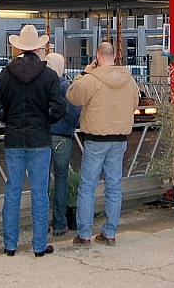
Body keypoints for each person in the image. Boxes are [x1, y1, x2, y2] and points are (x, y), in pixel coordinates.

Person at [0, 24, 67, 257]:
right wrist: (46, 119)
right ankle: (39, 245)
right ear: (39, 48)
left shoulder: (5, 74)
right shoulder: (48, 75)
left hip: (13, 138)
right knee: (39, 192)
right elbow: (60, 107)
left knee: (12, 191)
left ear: (18, 48)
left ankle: (10, 245)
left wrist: (8, 118)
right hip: (40, 139)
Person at [66, 42, 139, 246]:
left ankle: (84, 234)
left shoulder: (91, 79)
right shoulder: (129, 79)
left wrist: (83, 73)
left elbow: (73, 96)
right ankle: (110, 233)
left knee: (88, 186)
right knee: (114, 186)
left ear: (97, 57)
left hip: (96, 138)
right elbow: (135, 103)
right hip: (120, 139)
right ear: (115, 57)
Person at [46, 52, 81, 237]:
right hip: (62, 137)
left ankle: (42, 221)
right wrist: (71, 126)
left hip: (42, 136)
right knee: (61, 180)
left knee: (41, 180)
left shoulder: (42, 85)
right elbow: (74, 111)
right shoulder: (66, 86)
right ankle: (59, 223)